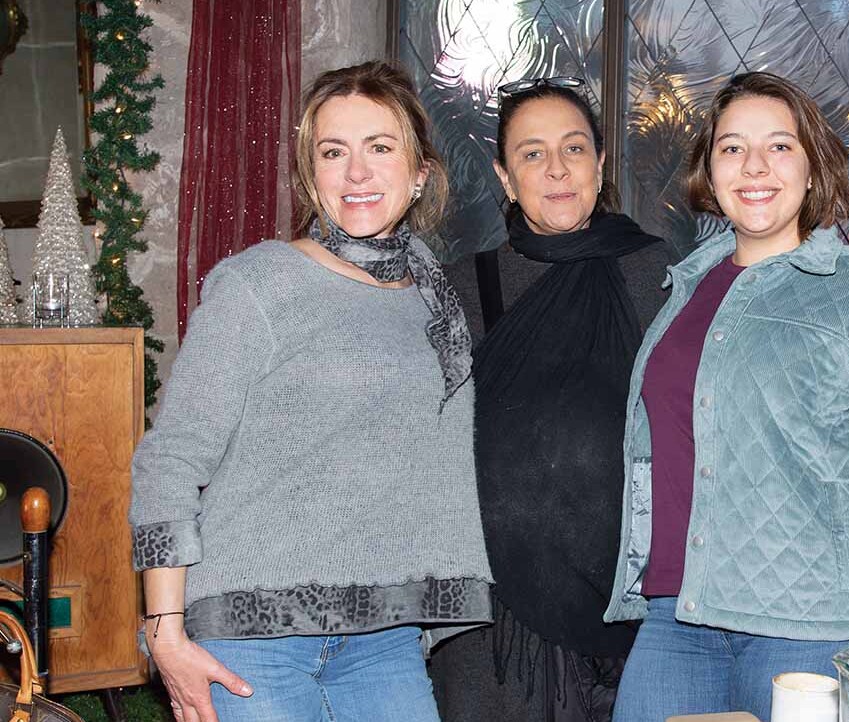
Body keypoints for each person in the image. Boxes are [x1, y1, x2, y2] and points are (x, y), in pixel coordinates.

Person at [129, 60, 493, 722]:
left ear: (419, 174)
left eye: (379, 148)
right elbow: (171, 457)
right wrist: (165, 629)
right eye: (334, 152)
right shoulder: (258, 284)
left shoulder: (433, 300)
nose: (356, 173)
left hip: (384, 638)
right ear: (311, 175)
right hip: (251, 640)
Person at [604, 71, 849, 722]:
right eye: (733, 147)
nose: (755, 165)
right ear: (709, 170)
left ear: (813, 165)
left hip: (810, 632)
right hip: (677, 616)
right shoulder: (686, 287)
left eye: (780, 146)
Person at [429, 77, 668, 722]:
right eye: (532, 154)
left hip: (636, 618)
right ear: (506, 178)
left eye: (574, 148)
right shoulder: (458, 287)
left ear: (600, 164)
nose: (557, 169)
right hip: (497, 630)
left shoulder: (660, 277)